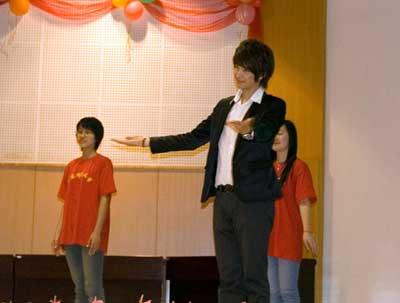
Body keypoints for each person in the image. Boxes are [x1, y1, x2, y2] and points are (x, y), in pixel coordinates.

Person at [112, 39, 286, 303]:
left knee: (254, 277)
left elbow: (266, 130)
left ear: (260, 73)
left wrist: (249, 128)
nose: (238, 74)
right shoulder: (223, 107)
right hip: (223, 199)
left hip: (254, 202)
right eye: (236, 67)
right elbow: (193, 137)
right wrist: (148, 142)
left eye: (245, 69)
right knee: (228, 277)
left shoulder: (272, 106)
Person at [52, 117, 117, 303]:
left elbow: (106, 198)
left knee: (93, 287)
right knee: (79, 288)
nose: (82, 135)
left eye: (87, 132)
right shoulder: (71, 166)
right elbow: (65, 202)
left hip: (91, 234)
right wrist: (58, 233)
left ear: (97, 137)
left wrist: (97, 233)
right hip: (70, 234)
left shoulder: (103, 163)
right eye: (79, 131)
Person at [267, 120, 318, 303]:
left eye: (280, 133)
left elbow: (304, 200)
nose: (275, 137)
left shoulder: (299, 167)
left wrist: (307, 231)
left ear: (291, 137)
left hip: (289, 235)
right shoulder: (266, 168)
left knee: (287, 291)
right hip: (267, 236)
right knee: (272, 294)